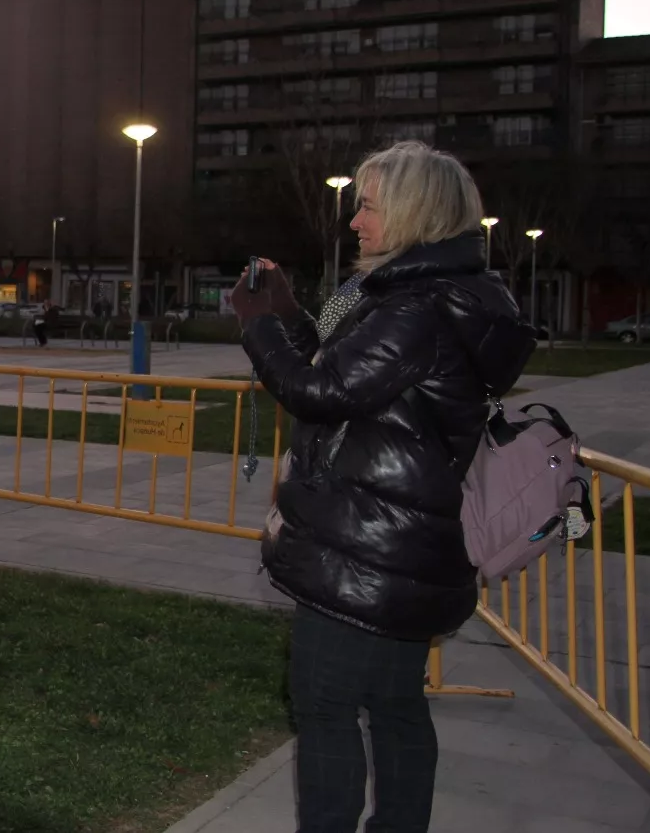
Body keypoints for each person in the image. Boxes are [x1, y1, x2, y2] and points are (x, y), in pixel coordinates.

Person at [231, 141, 535, 833]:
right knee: (397, 704)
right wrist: (285, 314)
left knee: (326, 704)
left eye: (367, 206)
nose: (356, 222)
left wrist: (255, 326)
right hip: (406, 546)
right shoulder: (430, 296)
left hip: (367, 552)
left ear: (410, 213)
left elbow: (318, 389)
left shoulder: (418, 306)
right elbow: (350, 372)